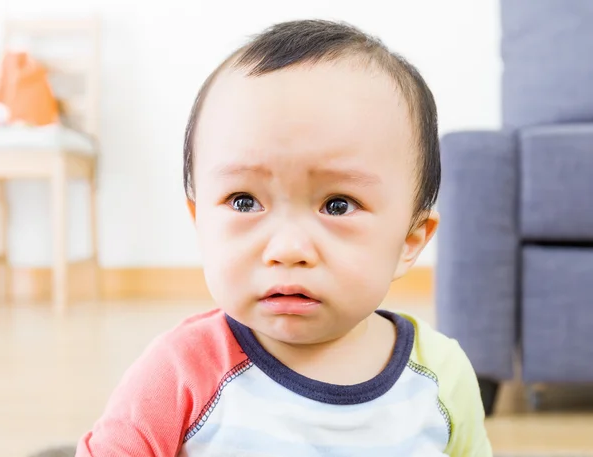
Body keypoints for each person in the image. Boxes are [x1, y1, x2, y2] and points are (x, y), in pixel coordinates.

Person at [76, 19, 492, 456]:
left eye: (338, 205)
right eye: (243, 201)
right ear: (200, 222)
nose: (288, 249)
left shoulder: (440, 378)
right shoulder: (180, 373)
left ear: (410, 240)